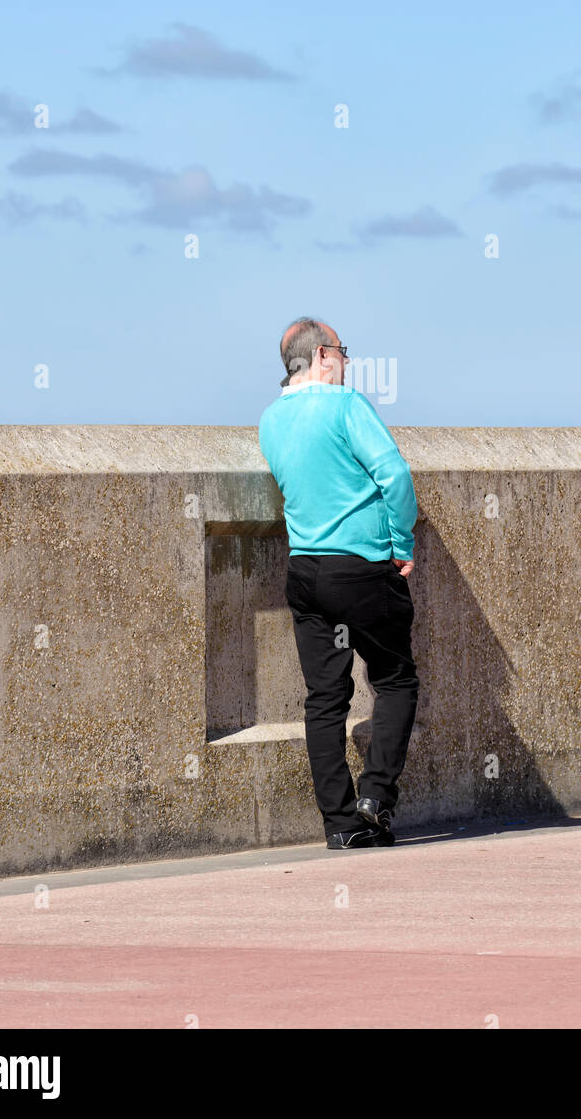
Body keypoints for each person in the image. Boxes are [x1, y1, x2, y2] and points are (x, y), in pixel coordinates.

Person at [258, 317, 419, 849]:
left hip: (305, 570)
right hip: (362, 568)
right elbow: (394, 475)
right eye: (344, 353)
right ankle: (376, 795)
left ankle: (341, 825)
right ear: (324, 356)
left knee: (325, 698)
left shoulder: (270, 421)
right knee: (395, 678)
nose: (348, 364)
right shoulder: (346, 406)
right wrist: (402, 546)